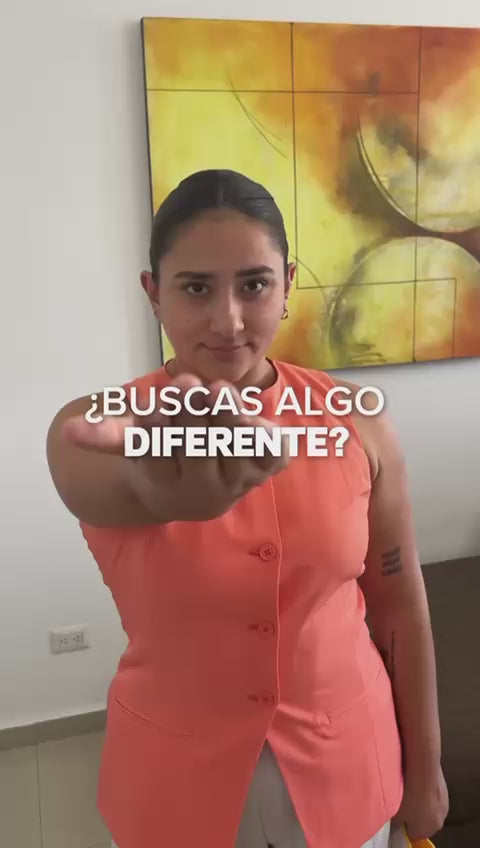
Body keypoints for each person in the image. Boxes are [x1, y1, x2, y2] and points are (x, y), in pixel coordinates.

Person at [46, 169, 449, 848]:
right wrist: (165, 493)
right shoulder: (100, 426)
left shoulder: (358, 420)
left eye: (254, 284)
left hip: (350, 762)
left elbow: (398, 602)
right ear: (153, 293)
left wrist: (427, 767)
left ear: (287, 285)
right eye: (196, 287)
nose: (228, 320)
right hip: (174, 781)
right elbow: (111, 485)